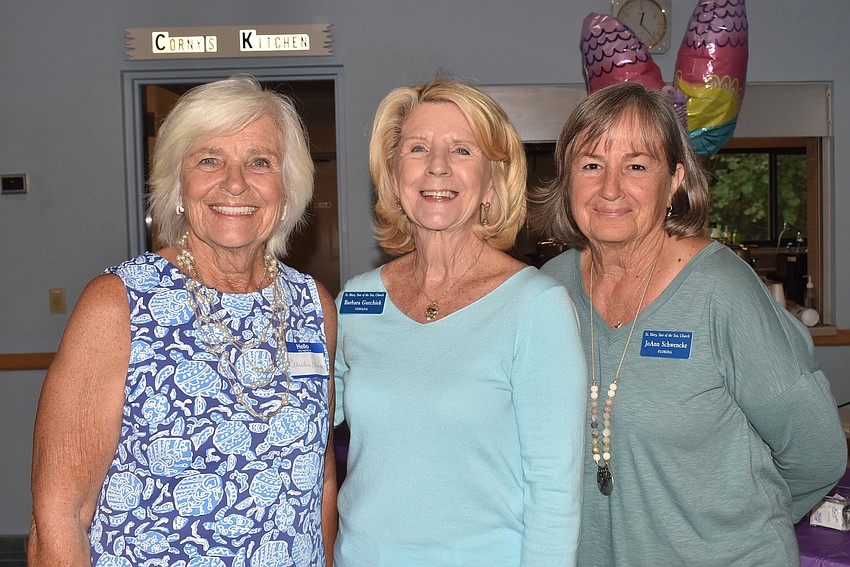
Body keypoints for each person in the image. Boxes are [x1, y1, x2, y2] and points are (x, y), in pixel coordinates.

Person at [529, 81, 847, 566]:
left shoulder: (721, 291)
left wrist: (733, 535)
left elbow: (817, 455)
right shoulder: (551, 291)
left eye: (636, 166)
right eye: (592, 164)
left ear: (675, 179)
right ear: (568, 178)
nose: (610, 187)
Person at [29, 75, 338, 566]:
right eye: (209, 159)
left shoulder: (312, 306)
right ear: (178, 183)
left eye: (260, 162)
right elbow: (60, 514)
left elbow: (318, 478)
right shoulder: (118, 305)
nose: (235, 182)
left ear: (288, 187)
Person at [332, 77, 587, 566]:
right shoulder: (356, 302)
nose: (437, 166)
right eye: (418, 147)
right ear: (392, 172)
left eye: (462, 150)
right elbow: (304, 420)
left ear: (492, 181)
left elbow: (554, 492)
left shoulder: (537, 307)